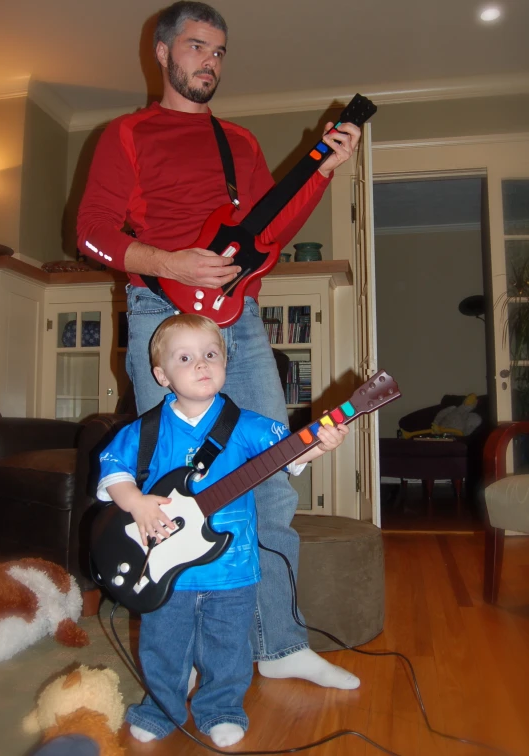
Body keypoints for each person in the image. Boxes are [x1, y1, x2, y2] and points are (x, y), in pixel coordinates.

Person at [77, 1, 361, 694]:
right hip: (160, 310)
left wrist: (324, 170)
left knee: (267, 477)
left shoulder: (240, 143)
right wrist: (169, 263)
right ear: (164, 52)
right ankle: (187, 653)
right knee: (175, 483)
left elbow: (270, 229)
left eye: (220, 52)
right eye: (198, 46)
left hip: (237, 322)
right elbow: (89, 231)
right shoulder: (128, 132)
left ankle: (279, 642)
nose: (210, 61)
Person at [97, 314, 350, 744]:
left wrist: (318, 443)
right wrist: (135, 502)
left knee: (228, 646)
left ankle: (220, 708)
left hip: (233, 566)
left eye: (211, 354)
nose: (201, 364)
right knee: (163, 644)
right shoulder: (147, 429)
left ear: (226, 363)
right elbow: (113, 469)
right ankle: (162, 707)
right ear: (161, 375)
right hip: (165, 570)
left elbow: (289, 454)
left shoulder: (248, 425)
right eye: (185, 357)